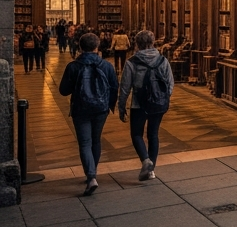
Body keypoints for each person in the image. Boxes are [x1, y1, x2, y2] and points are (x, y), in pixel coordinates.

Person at [58, 32, 118, 195]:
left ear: (80, 47)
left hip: (81, 108)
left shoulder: (73, 66)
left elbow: (63, 91)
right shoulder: (106, 66)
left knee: (85, 142)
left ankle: (91, 176)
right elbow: (114, 87)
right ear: (97, 47)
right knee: (96, 140)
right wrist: (109, 106)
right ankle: (93, 172)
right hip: (100, 108)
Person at [118, 30, 173, 181]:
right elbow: (170, 83)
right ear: (153, 42)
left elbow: (125, 87)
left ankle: (146, 161)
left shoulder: (131, 62)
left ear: (137, 44)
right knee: (153, 134)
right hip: (158, 104)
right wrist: (164, 98)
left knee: (136, 134)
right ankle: (151, 171)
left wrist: (121, 106)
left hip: (138, 104)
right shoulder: (163, 60)